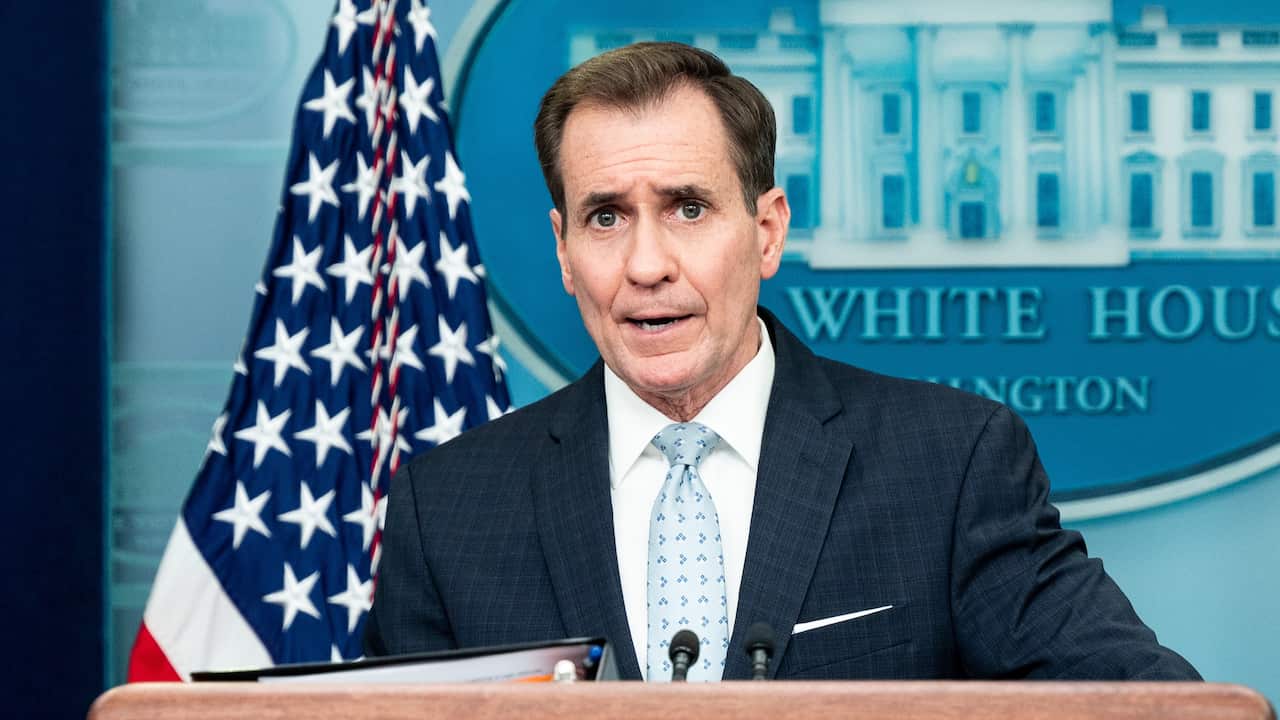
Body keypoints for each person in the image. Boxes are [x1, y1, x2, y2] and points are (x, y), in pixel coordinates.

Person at [364, 41, 1199, 682]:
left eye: (689, 209)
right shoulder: (447, 510)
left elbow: (1152, 707)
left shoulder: (950, 467)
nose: (647, 264)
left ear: (766, 231)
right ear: (563, 250)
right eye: (607, 217)